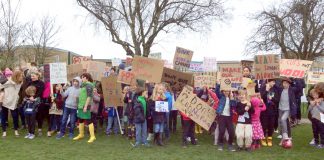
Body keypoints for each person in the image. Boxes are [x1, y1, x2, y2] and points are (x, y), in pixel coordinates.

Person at [73, 73, 96, 143]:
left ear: (86, 78)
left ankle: (92, 136)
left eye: (82, 78)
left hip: (85, 105)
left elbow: (89, 97)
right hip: (80, 105)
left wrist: (85, 106)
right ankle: (81, 134)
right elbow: (82, 95)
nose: (81, 79)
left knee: (89, 120)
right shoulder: (83, 85)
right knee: (80, 120)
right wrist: (77, 99)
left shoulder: (89, 85)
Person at [0, 70, 23, 137]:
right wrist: (2, 92)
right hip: (5, 101)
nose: (22, 77)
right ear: (16, 76)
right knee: (3, 116)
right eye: (20, 76)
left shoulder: (20, 82)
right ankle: (4, 131)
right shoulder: (8, 82)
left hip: (14, 102)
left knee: (15, 116)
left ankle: (16, 130)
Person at [277, 78, 297, 146]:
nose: (285, 85)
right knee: (281, 123)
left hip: (287, 109)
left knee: (283, 119)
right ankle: (283, 138)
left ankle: (285, 136)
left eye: (287, 83)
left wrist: (295, 79)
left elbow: (299, 88)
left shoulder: (292, 90)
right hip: (280, 108)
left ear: (289, 84)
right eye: (284, 83)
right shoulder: (280, 89)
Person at [215, 84, 235, 151]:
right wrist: (218, 84)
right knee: (221, 131)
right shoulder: (221, 97)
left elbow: (233, 107)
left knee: (232, 132)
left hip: (229, 117)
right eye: (225, 91)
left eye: (228, 91)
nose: (226, 92)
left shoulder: (232, 98)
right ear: (223, 91)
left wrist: (232, 99)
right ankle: (220, 144)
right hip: (222, 116)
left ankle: (230, 144)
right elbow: (216, 91)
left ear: (230, 92)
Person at [260, 79, 278, 147]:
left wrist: (272, 99)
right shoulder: (263, 88)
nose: (274, 83)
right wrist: (266, 90)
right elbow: (261, 97)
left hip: (272, 111)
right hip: (264, 111)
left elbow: (277, 100)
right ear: (268, 81)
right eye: (273, 82)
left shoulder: (275, 89)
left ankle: (269, 138)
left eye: (274, 82)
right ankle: (263, 138)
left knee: (271, 126)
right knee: (264, 125)